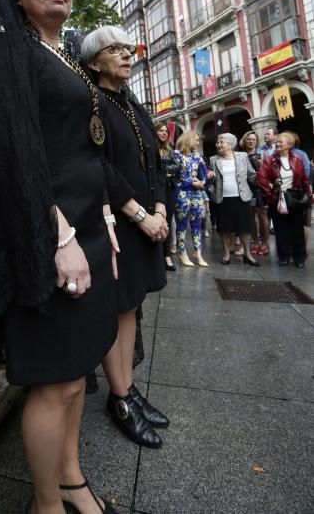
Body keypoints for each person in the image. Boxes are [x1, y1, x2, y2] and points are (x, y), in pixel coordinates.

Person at [0, 0, 119, 514]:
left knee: (78, 375)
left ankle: (72, 477)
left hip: (90, 234)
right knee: (54, 382)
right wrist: (60, 240)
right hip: (47, 239)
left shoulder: (67, 59)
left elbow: (83, 150)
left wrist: (104, 224)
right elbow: (14, 159)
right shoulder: (7, 52)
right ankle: (46, 504)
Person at [81, 25, 169, 450]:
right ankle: (120, 398)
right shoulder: (92, 101)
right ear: (95, 62)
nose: (127, 54)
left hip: (146, 222)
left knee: (131, 305)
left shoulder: (133, 102)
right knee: (118, 307)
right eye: (114, 49)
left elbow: (154, 160)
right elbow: (99, 167)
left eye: (128, 48)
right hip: (115, 225)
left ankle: (128, 388)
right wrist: (138, 214)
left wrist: (162, 209)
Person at [256, 132, 312, 267]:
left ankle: (299, 258)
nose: (278, 144)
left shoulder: (297, 159)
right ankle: (284, 256)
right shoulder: (270, 160)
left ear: (289, 145)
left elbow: (304, 179)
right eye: (277, 142)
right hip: (277, 199)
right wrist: (270, 192)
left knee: (297, 229)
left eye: (281, 142)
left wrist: (309, 195)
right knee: (281, 229)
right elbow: (260, 178)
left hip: (294, 198)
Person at [209, 133, 259, 266]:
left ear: (230, 144)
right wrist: (210, 177)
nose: (218, 144)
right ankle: (226, 254)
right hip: (222, 198)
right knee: (224, 228)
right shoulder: (213, 159)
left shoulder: (242, 156)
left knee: (245, 228)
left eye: (222, 142)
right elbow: (211, 180)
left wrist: (264, 179)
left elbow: (251, 174)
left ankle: (248, 254)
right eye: (218, 142)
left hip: (241, 197)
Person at [174, 131, 209, 267]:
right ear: (188, 140)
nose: (198, 142)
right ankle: (181, 251)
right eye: (196, 140)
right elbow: (177, 175)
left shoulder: (198, 157)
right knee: (181, 224)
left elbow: (205, 172)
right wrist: (192, 182)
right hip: (182, 193)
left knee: (197, 224)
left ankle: (198, 252)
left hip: (196, 194)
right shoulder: (176, 155)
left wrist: (202, 182)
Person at [239, 130, 270, 255]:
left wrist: (263, 165)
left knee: (263, 216)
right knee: (250, 217)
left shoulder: (262, 155)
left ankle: (265, 243)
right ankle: (256, 242)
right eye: (249, 139)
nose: (251, 141)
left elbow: (269, 173)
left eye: (253, 139)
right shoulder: (241, 156)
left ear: (257, 142)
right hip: (247, 189)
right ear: (245, 141)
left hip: (259, 189)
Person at [156, 122, 180, 271]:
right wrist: (167, 170)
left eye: (166, 131)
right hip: (153, 189)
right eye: (161, 130)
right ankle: (156, 256)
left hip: (168, 189)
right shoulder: (149, 149)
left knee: (167, 221)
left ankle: (166, 255)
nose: (164, 133)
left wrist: (164, 170)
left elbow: (178, 167)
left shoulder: (170, 151)